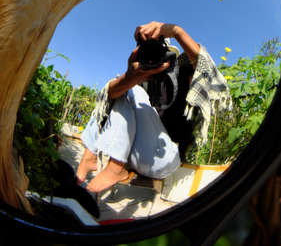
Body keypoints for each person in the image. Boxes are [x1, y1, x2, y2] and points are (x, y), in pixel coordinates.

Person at [76, 22, 231, 193]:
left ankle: (114, 168)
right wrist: (130, 78)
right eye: (149, 55)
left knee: (130, 90)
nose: (156, 60)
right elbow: (108, 97)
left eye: (162, 55)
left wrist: (174, 31)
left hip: (165, 159)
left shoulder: (183, 72)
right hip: (136, 155)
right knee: (117, 87)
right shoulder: (140, 79)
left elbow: (207, 69)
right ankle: (91, 156)